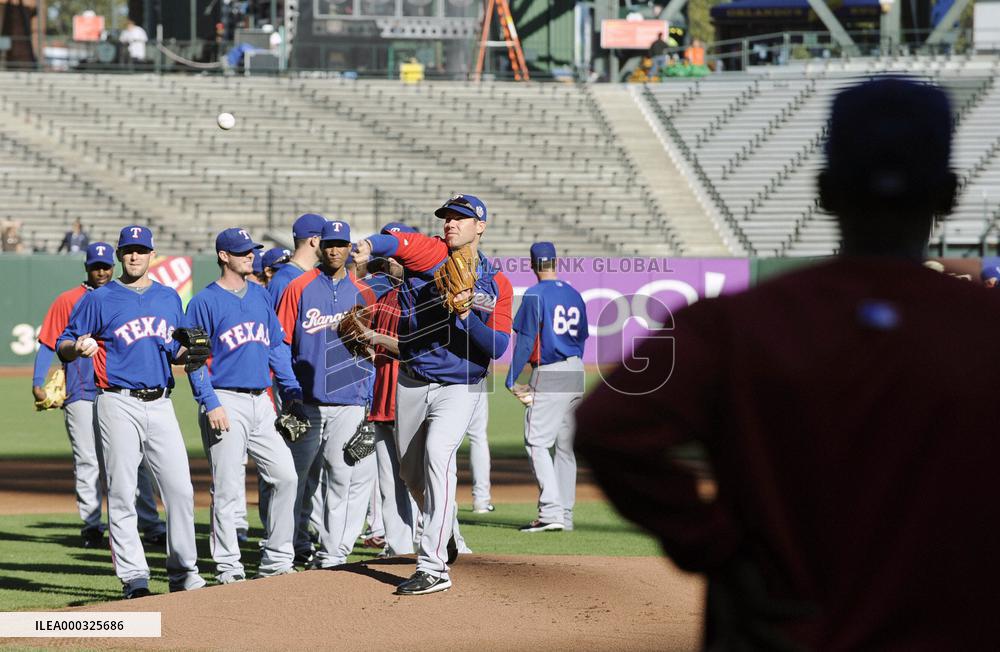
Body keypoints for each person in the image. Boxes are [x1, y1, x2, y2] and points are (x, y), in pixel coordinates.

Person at [574, 78, 1000, 649]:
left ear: (824, 191)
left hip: (780, 633)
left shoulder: (733, 323)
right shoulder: (984, 325)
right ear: (948, 195)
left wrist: (714, 545)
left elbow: (608, 427)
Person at [353, 193, 513, 595]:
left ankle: (434, 566)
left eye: (461, 217)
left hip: (460, 386)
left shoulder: (498, 282)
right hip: (411, 380)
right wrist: (371, 246)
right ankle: (448, 530)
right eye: (447, 217)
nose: (450, 223)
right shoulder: (432, 254)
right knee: (411, 474)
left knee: (439, 456)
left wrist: (464, 317)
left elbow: (496, 347)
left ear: (481, 226)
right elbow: (398, 242)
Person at [57, 225, 206, 599]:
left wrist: (193, 354)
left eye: (141, 250)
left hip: (161, 402)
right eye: (128, 251)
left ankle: (183, 572)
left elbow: (176, 352)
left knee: (181, 491)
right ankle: (135, 578)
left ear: (153, 254)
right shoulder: (100, 298)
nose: (134, 256)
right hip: (116, 400)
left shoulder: (170, 298)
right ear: (120, 255)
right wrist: (78, 345)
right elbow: (62, 344)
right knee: (123, 492)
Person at [185, 228, 302, 583]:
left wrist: (292, 390)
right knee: (228, 489)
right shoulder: (204, 302)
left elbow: (276, 347)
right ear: (224, 256)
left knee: (285, 476)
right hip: (225, 399)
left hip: (262, 401)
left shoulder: (261, 296)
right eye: (242, 252)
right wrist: (210, 402)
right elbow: (194, 358)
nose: (250, 256)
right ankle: (229, 567)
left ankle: (277, 559)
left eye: (251, 251)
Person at [33, 242, 165, 549]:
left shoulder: (126, 296)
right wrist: (38, 380)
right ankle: (92, 525)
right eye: (96, 267)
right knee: (88, 460)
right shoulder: (68, 300)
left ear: (114, 265)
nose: (102, 271)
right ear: (87, 268)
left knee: (136, 461)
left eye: (106, 266)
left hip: (121, 391)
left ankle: (150, 523)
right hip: (81, 391)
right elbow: (48, 342)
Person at [277, 219, 376, 569]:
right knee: (294, 479)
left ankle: (332, 554)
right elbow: (281, 343)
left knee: (341, 476)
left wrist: (368, 399)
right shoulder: (299, 287)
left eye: (341, 244)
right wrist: (288, 391)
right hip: (306, 400)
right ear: (319, 246)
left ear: (350, 248)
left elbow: (373, 352)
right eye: (329, 244)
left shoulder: (364, 294)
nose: (334, 250)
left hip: (349, 400)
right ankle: (286, 549)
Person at [506, 242, 588, 532]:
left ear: (531, 264)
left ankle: (551, 513)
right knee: (565, 447)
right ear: (556, 261)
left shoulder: (534, 294)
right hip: (576, 369)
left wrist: (511, 377)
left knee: (537, 441)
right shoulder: (574, 294)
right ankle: (564, 515)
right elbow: (582, 338)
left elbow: (526, 340)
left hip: (550, 370)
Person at [268, 214, 325, 308]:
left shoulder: (318, 274)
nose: (331, 247)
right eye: (327, 240)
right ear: (314, 240)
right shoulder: (283, 281)